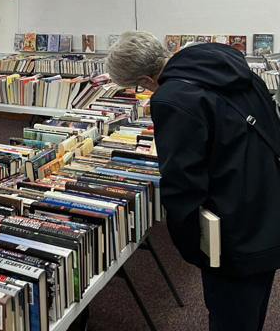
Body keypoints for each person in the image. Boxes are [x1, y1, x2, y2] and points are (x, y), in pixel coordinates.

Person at [106, 31, 280, 331]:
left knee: (230, 315)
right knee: (253, 306)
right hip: (267, 206)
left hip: (233, 229)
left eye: (139, 87)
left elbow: (183, 184)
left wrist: (192, 246)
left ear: (145, 79)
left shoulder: (172, 98)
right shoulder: (232, 68)